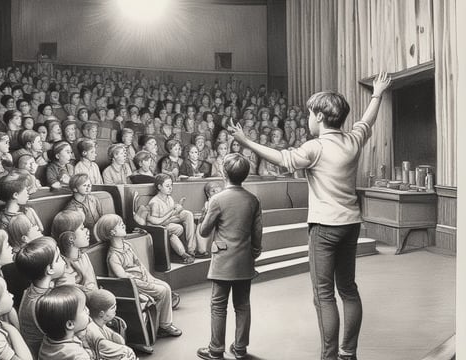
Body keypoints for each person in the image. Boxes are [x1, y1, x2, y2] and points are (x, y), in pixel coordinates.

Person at [228, 72, 392, 360]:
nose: (307, 119)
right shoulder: (353, 140)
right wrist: (377, 93)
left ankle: (328, 357)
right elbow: (368, 121)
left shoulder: (314, 147)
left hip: (325, 229)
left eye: (309, 114)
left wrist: (246, 140)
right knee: (349, 290)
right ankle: (348, 353)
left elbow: (281, 158)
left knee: (324, 295)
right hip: (351, 225)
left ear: (319, 115)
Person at [197, 153, 262, 360]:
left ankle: (216, 349)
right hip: (244, 260)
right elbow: (257, 232)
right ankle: (240, 348)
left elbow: (204, 232)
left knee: (218, 305)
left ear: (223, 173)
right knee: (242, 305)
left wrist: (205, 212)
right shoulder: (253, 199)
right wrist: (254, 253)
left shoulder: (216, 199)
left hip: (223, 261)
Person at [95, 214, 183, 339]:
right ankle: (164, 326)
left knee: (165, 286)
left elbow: (140, 265)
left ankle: (162, 324)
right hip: (131, 285)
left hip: (141, 279)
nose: (123, 225)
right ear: (113, 232)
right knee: (163, 290)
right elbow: (123, 276)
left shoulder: (127, 246)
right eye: (120, 225)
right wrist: (144, 281)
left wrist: (149, 278)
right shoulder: (113, 255)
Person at [15, 237, 67, 357]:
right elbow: (60, 336)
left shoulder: (29, 292)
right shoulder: (43, 302)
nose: (64, 260)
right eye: (59, 259)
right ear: (50, 270)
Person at [147, 174, 197, 263]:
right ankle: (184, 254)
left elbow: (172, 214)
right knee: (177, 229)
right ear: (159, 187)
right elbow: (155, 222)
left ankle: (190, 248)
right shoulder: (154, 202)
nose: (170, 188)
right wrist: (173, 211)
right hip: (159, 227)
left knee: (188, 214)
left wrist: (179, 207)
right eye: (167, 186)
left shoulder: (169, 198)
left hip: (168, 222)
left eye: (171, 186)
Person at [36, 285, 91, 360]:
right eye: (84, 308)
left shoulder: (48, 339)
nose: (88, 310)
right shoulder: (79, 356)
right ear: (70, 324)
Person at [82, 289, 138, 360]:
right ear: (101, 313)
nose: (115, 309)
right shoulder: (93, 331)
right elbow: (124, 351)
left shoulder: (98, 323)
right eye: (113, 307)